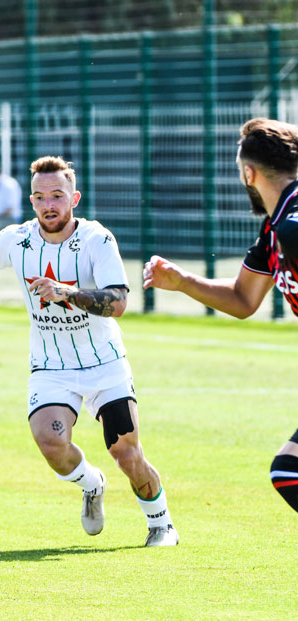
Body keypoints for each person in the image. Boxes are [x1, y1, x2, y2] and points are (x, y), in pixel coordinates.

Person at [0, 155, 179, 547]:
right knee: (50, 443)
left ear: (75, 198)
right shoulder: (15, 239)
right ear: (31, 201)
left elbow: (119, 302)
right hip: (51, 367)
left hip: (104, 364)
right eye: (40, 197)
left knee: (126, 453)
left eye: (57, 195)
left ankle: (161, 524)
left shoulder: (96, 239)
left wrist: (68, 292)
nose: (48, 205)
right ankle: (92, 484)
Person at [143, 117, 298, 515]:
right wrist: (182, 282)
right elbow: (244, 298)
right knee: (289, 472)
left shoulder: (292, 223)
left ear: (249, 173)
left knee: (290, 472)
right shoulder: (275, 227)